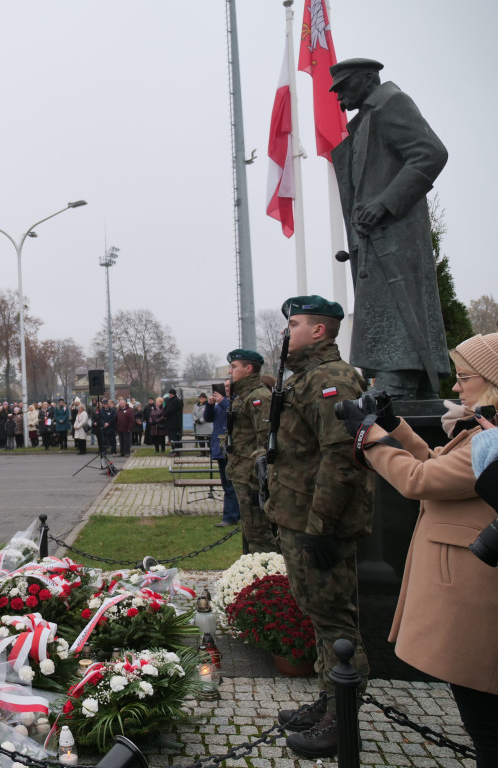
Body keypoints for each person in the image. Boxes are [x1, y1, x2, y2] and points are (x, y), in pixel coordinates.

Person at [350, 332, 498, 765]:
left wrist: (371, 439)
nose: (456, 387)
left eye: (464, 377)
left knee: (486, 725)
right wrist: (396, 425)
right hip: (470, 583)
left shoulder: (489, 440)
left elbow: (419, 481)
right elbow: (438, 464)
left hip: (474, 592)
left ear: (491, 381)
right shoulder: (482, 434)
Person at [263, 297, 373, 759]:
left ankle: (342, 722)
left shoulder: (330, 378)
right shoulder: (305, 378)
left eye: (294, 324)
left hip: (317, 523)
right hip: (298, 517)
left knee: (335, 622)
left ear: (320, 332)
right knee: (319, 614)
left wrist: (321, 527)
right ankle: (330, 700)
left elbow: (342, 457)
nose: (286, 333)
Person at [329, 58, 449, 398]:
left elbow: (431, 152)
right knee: (379, 304)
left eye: (343, 88)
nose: (339, 100)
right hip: (375, 235)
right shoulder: (365, 119)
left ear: (368, 79)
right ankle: (393, 377)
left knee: (397, 302)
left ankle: (402, 379)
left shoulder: (391, 103)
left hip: (395, 229)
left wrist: (384, 203)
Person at [224, 350, 278, 553]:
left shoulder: (258, 397)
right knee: (250, 529)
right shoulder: (244, 396)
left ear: (248, 369)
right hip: (241, 472)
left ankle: (269, 578)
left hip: (252, 476)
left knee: (259, 533)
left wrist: (258, 476)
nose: (230, 371)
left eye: (234, 367)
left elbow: (265, 440)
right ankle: (253, 574)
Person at [206, 382, 240, 528]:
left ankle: (230, 516)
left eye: (228, 386)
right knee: (226, 484)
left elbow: (235, 415)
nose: (226, 389)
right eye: (224, 387)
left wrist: (223, 401)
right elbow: (208, 417)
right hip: (220, 449)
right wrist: (210, 405)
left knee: (232, 484)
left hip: (233, 448)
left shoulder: (236, 401)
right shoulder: (219, 404)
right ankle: (233, 514)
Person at [163, 389, 183, 453]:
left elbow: (169, 410)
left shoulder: (175, 401)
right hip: (172, 423)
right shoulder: (172, 400)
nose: (169, 394)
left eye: (170, 393)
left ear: (173, 394)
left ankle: (176, 451)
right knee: (173, 438)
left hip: (174, 423)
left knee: (174, 438)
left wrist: (164, 415)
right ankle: (175, 450)